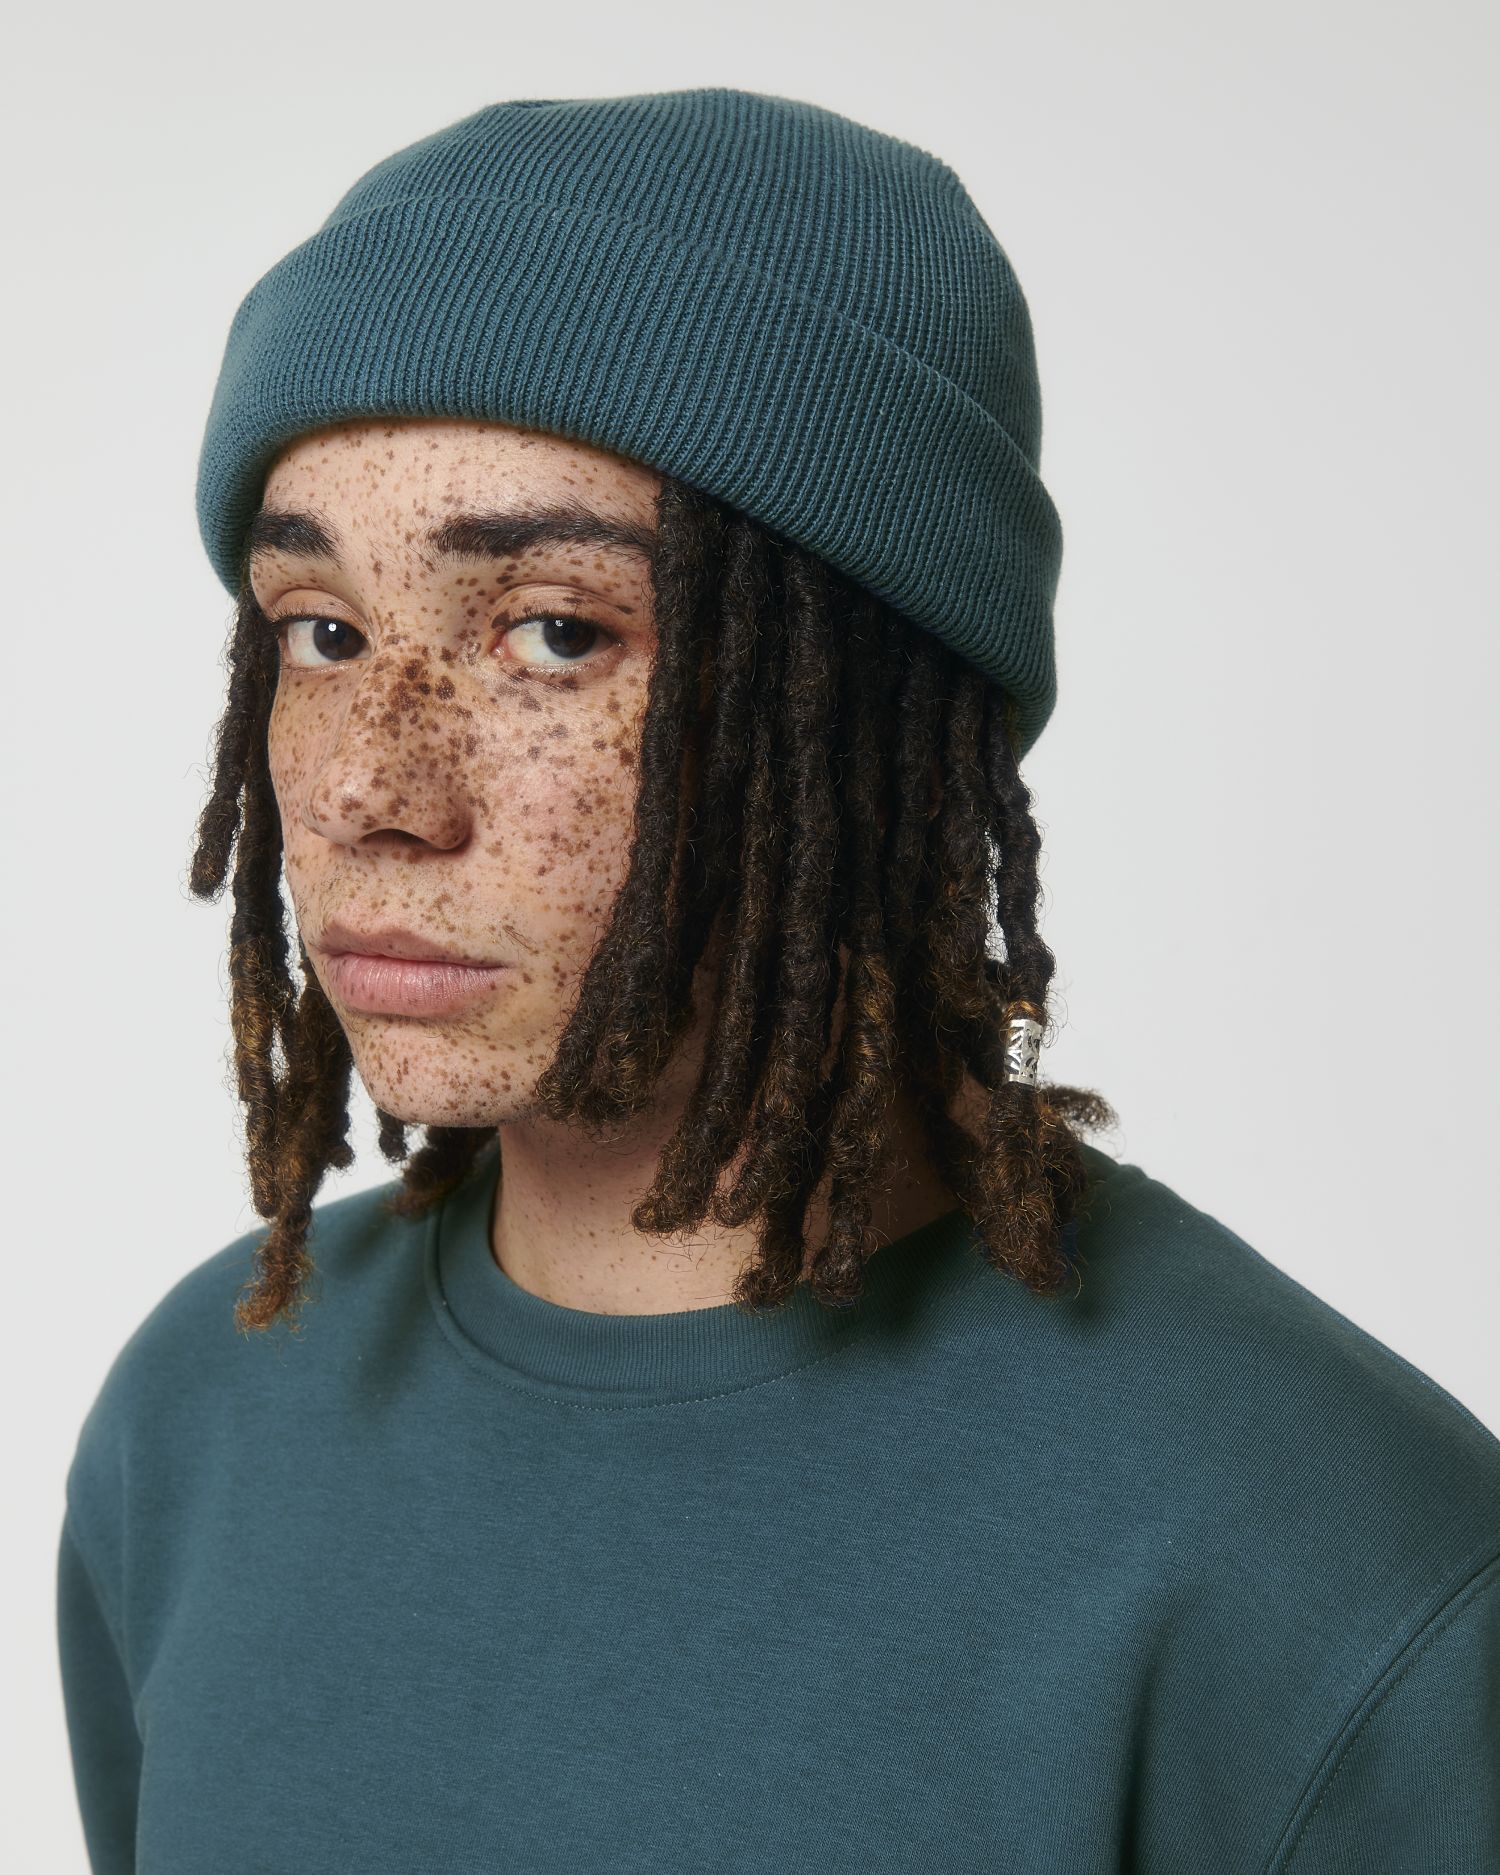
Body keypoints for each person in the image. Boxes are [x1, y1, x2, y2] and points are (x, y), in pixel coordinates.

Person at [57, 89, 1500, 1873]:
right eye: (324, 632)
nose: (370, 787)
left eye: (555, 632)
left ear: (870, 700)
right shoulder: (202, 1423)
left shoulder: (1336, 1574)